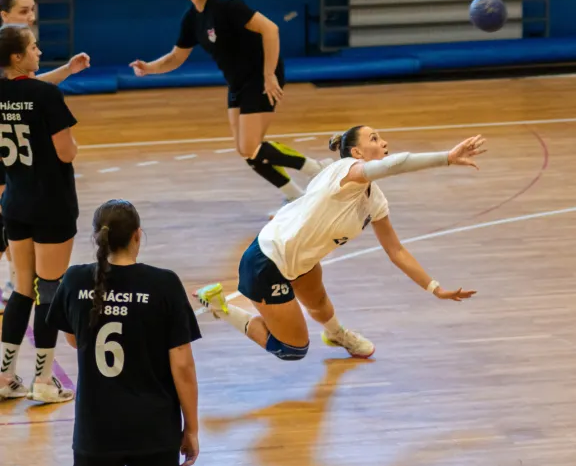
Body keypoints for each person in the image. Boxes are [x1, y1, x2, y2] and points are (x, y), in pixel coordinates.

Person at [196, 127, 486, 361]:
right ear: (357, 152)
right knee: (292, 349)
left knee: (320, 305)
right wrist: (446, 157)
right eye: (375, 138)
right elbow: (397, 164)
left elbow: (395, 251)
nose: (384, 142)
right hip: (267, 260)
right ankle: (220, 307)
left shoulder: (375, 199)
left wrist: (435, 288)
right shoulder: (346, 170)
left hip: (300, 259)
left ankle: (337, 334)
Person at [128, 0, 324, 211]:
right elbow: (176, 57)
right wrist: (149, 67)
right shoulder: (191, 19)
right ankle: (294, 195)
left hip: (261, 76)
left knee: (250, 146)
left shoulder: (227, 5)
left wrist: (268, 75)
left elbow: (271, 30)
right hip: (237, 82)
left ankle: (316, 169)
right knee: (246, 151)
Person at [47, 199, 201, 466]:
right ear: (137, 235)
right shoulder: (164, 284)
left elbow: (74, 339)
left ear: (97, 238)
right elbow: (182, 366)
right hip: (153, 428)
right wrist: (191, 428)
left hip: (96, 430)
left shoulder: (74, 279)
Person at [0, 23, 79, 403]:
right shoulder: (46, 95)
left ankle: (3, 378)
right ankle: (44, 381)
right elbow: (66, 151)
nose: (39, 52)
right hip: (52, 205)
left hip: (15, 203)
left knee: (21, 289)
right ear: (17, 56)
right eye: (33, 47)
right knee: (50, 290)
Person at [0, 0, 91, 312]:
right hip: (40, 192)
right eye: (24, 12)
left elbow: (27, 88)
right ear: (5, 17)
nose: (32, 17)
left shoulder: (15, 72)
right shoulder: (19, 54)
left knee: (25, 283)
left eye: (32, 9)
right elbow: (33, 93)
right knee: (45, 288)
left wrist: (66, 70)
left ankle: (15, 282)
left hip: (18, 181)